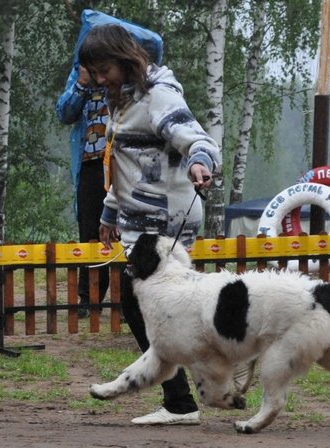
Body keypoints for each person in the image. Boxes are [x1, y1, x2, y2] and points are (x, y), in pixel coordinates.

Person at [77, 23, 222, 426]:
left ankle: (188, 397)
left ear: (125, 58)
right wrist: (110, 212)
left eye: (104, 69)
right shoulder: (121, 99)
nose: (100, 78)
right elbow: (123, 160)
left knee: (145, 306)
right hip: (140, 218)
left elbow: (198, 139)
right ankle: (193, 391)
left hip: (165, 220)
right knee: (159, 309)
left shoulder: (158, 94)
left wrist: (200, 161)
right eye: (94, 70)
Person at [56, 64, 110, 319]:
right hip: (89, 164)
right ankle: (88, 298)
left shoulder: (121, 73)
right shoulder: (81, 75)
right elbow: (65, 113)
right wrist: (82, 82)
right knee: (89, 231)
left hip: (121, 163)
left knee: (124, 228)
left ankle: (124, 300)